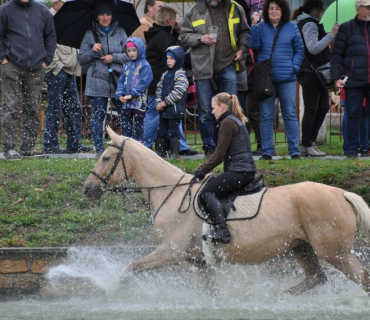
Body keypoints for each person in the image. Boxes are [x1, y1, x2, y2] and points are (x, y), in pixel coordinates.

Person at [181, 0, 249, 157]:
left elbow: (245, 31)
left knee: (230, 109)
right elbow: (184, 36)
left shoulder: (235, 8)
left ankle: (231, 146)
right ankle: (210, 148)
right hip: (203, 66)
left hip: (228, 64)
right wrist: (200, 38)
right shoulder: (195, 11)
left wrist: (242, 49)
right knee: (205, 110)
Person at [194, 93, 256, 243]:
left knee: (207, 192)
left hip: (239, 172)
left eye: (213, 108)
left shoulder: (227, 123)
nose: (212, 111)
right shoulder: (234, 119)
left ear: (222, 107)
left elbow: (219, 153)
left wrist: (202, 171)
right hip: (244, 171)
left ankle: (222, 230)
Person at [0, 0, 56, 160]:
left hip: (37, 67)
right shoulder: (5, 10)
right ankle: (9, 147)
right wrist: (3, 58)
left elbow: (51, 36)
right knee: (9, 107)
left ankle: (27, 147)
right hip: (12, 65)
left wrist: (46, 60)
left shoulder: (43, 11)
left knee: (32, 107)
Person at [248, 0, 304, 160]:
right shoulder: (261, 26)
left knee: (289, 113)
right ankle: (267, 150)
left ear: (283, 11)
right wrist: (254, 25)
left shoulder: (292, 27)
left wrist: (294, 67)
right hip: (266, 78)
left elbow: (300, 49)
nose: (273, 11)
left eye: (277, 9)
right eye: (271, 8)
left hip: (287, 78)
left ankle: (294, 151)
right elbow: (254, 45)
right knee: (266, 114)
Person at [144, 7, 198, 156]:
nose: (177, 21)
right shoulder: (164, 37)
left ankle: (180, 146)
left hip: (160, 79)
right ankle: (145, 145)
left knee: (172, 113)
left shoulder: (161, 34)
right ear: (169, 21)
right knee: (155, 113)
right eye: (176, 19)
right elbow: (177, 56)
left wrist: (177, 32)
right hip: (160, 81)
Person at [78, 3, 129, 156]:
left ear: (112, 16)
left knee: (125, 114)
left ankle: (126, 148)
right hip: (97, 81)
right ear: (97, 16)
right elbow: (81, 59)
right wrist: (93, 51)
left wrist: (113, 57)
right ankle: (100, 150)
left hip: (117, 80)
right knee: (98, 116)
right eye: (101, 15)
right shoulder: (89, 34)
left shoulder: (121, 33)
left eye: (107, 14)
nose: (105, 17)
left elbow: (130, 55)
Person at [43, 0, 92, 154]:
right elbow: (48, 45)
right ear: (57, 4)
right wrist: (57, 66)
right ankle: (50, 145)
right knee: (55, 107)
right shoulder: (49, 19)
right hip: (57, 70)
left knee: (74, 108)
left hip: (69, 69)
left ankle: (74, 143)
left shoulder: (67, 19)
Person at [293, 0, 338, 157]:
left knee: (323, 106)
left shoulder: (308, 22)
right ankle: (307, 144)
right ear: (314, 10)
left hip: (314, 73)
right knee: (312, 108)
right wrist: (331, 35)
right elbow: (313, 48)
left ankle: (310, 142)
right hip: (310, 73)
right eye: (320, 10)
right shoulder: (309, 24)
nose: (321, 13)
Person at [331, 0, 370, 158]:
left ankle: (365, 147)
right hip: (353, 80)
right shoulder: (347, 28)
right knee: (353, 115)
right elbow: (336, 55)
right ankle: (351, 151)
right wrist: (336, 77)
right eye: (368, 7)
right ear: (359, 9)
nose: (369, 10)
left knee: (366, 115)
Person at [115, 38, 153, 142]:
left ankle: (139, 150)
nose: (131, 53)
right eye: (129, 51)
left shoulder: (145, 65)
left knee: (138, 129)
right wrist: (119, 94)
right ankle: (126, 149)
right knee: (126, 129)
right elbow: (121, 81)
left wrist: (132, 94)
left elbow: (144, 82)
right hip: (126, 103)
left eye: (134, 50)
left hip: (139, 103)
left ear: (140, 50)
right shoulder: (127, 65)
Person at [155, 46, 189, 158]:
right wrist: (158, 102)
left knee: (173, 131)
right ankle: (160, 153)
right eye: (167, 58)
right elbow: (159, 89)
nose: (168, 61)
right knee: (161, 131)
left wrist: (164, 103)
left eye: (172, 58)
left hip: (174, 111)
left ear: (178, 59)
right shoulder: (165, 74)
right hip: (163, 110)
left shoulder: (180, 74)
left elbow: (178, 92)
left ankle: (174, 154)